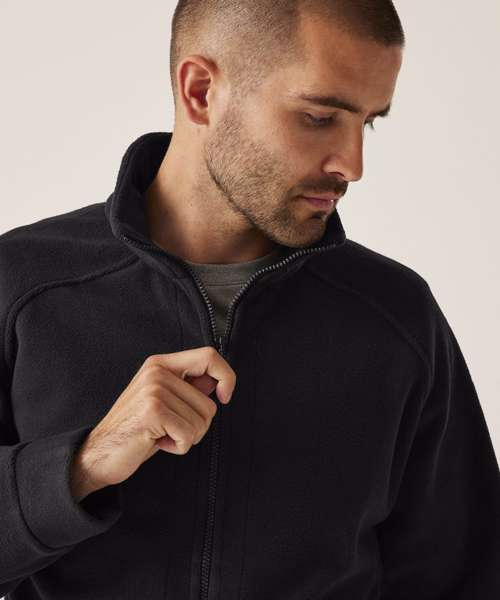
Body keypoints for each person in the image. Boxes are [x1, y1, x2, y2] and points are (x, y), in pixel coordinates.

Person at [0, 0, 499, 598]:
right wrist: (82, 466)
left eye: (367, 123)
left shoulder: (397, 315)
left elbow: (467, 577)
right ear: (201, 91)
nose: (353, 165)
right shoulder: (23, 284)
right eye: (319, 117)